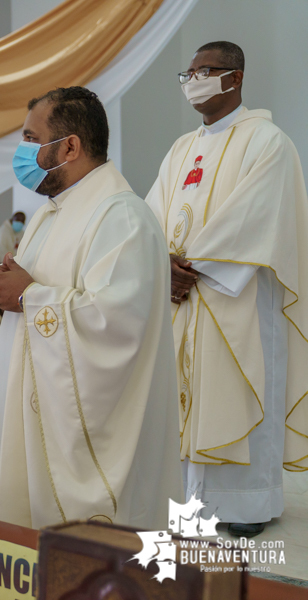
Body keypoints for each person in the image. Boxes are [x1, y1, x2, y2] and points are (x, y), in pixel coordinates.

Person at [0, 86, 181, 530]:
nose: (21, 152)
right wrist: (0, 294)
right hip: (25, 414)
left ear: (70, 146)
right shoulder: (49, 212)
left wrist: (26, 295)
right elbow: (30, 291)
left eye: (29, 138)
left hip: (78, 443)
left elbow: (115, 325)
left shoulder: (123, 217)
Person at [145, 41, 308, 538]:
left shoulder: (268, 142)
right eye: (188, 72)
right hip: (183, 294)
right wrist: (159, 262)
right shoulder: (181, 148)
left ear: (234, 78)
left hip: (235, 295)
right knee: (188, 393)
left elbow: (259, 218)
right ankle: (192, 499)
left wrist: (191, 267)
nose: (192, 79)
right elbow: (152, 213)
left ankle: (247, 503)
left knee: (240, 385)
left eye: (204, 70)